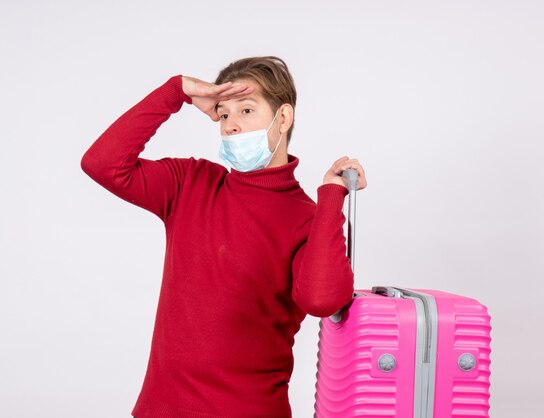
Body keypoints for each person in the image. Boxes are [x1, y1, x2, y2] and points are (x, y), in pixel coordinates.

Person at [81, 56, 366, 418]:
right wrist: (175, 92)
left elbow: (322, 300)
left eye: (246, 110)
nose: (231, 125)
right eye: (224, 113)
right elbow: (101, 164)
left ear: (283, 118)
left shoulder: (310, 218)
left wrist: (331, 197)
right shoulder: (190, 183)